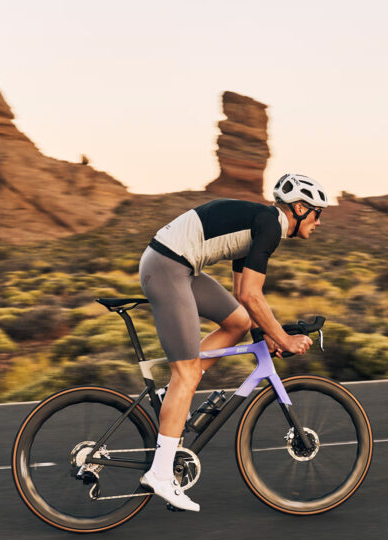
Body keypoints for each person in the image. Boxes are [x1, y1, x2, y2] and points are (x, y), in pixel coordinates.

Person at [137, 173, 328, 511]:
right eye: (317, 213)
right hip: (168, 267)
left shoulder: (260, 226)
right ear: (299, 208)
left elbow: (246, 303)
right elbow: (251, 294)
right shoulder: (269, 225)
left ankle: (172, 396)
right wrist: (283, 337)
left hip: (179, 266)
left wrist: (266, 337)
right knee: (188, 375)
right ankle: (161, 474)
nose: (319, 222)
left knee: (237, 322)